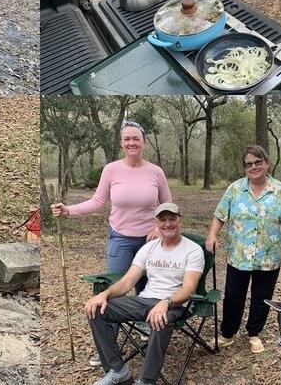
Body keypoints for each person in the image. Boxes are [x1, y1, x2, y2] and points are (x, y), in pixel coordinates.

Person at [50, 120, 171, 366]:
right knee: (115, 292)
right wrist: (68, 210)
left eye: (135, 138)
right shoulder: (111, 170)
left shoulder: (156, 172)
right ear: (121, 143)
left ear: (143, 142)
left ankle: (146, 330)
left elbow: (168, 207)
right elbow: (97, 202)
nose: (131, 143)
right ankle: (108, 346)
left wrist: (158, 229)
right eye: (126, 139)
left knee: (148, 290)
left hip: (151, 243)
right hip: (120, 239)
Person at [85, 203, 204, 385]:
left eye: (172, 219)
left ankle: (146, 380)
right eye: (162, 220)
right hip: (145, 300)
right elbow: (127, 282)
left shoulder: (193, 250)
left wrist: (166, 302)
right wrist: (104, 295)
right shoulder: (148, 248)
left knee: (160, 319)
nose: (168, 224)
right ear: (156, 222)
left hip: (175, 303)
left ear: (180, 220)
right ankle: (117, 371)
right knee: (98, 309)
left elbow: (188, 289)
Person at [205, 145, 281, 354]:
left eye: (258, 162)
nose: (253, 167)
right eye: (249, 164)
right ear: (244, 167)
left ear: (267, 163)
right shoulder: (235, 189)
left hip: (269, 255)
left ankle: (254, 333)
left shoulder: (280, 190)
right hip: (239, 255)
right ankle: (227, 334)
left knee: (262, 296)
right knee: (233, 295)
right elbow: (220, 215)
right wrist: (212, 235)